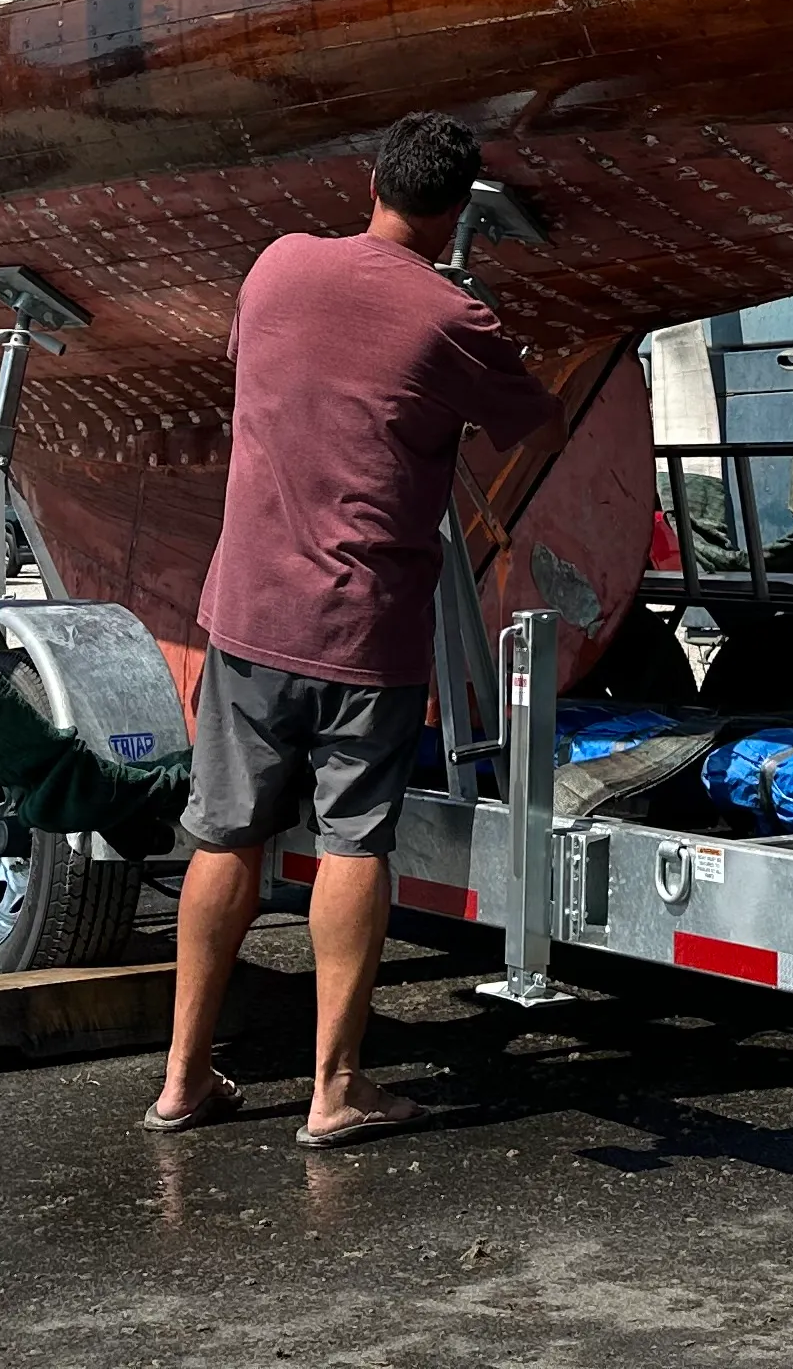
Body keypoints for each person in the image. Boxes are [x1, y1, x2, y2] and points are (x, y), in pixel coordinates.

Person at [147, 112, 562, 1148]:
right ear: (458, 209)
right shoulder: (451, 321)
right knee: (351, 843)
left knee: (225, 832)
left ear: (370, 178)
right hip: (364, 629)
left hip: (247, 611)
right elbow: (534, 425)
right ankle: (335, 1093)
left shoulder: (277, 267)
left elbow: (272, 369)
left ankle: (182, 1081)